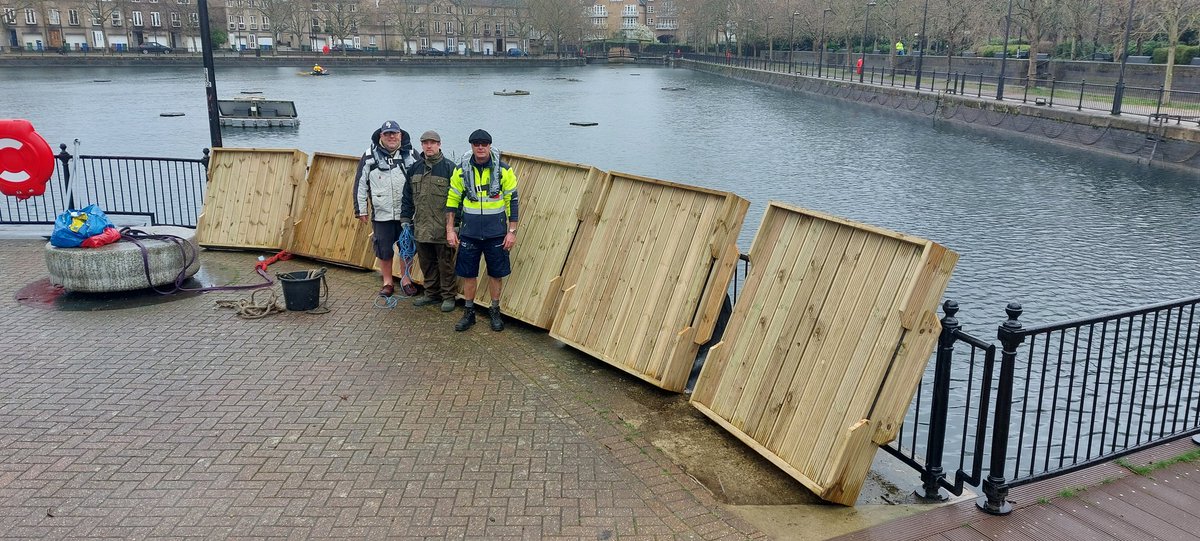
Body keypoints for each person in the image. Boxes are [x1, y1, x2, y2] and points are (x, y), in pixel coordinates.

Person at [445, 129, 519, 332]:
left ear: (489, 146)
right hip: (469, 233)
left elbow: (512, 201)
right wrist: (450, 230)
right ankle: (469, 312)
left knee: (496, 274)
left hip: (496, 233)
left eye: (483, 144)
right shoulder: (461, 171)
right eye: (476, 143)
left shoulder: (503, 170)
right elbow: (452, 200)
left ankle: (494, 310)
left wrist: (511, 231)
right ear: (471, 146)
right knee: (468, 274)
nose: (480, 147)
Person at [354, 120, 415, 298]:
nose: (391, 137)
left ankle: (406, 280)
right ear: (381, 136)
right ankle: (387, 282)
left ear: (400, 135)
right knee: (384, 249)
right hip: (382, 213)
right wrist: (361, 210)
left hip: (406, 213)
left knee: (407, 247)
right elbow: (360, 184)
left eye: (394, 134)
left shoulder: (411, 154)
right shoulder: (369, 156)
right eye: (387, 134)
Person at [401, 130, 458, 313]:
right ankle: (431, 293)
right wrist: (405, 219)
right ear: (422, 145)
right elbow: (407, 197)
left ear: (439, 144)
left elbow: (459, 199)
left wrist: (455, 226)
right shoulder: (415, 168)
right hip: (421, 227)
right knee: (427, 263)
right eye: (425, 143)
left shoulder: (450, 168)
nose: (429, 146)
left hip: (443, 228)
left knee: (446, 264)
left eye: (432, 143)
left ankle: (448, 296)